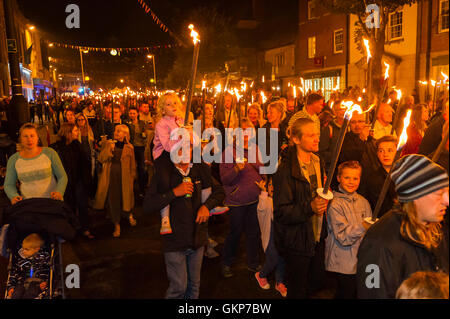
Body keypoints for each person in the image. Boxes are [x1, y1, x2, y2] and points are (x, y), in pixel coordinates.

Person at [357, 154, 449, 298]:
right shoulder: (379, 244)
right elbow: (372, 292)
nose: (447, 201)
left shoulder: (435, 230)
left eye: (448, 191)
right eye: (439, 193)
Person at [144, 143, 225, 299]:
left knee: (194, 286)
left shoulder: (199, 170)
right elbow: (148, 205)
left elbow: (219, 191)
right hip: (175, 241)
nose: (184, 153)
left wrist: (206, 207)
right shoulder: (164, 174)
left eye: (187, 149)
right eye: (179, 149)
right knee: (178, 288)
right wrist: (175, 192)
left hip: (197, 239)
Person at [273, 118, 329, 298]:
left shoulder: (318, 161)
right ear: (296, 139)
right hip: (297, 239)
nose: (316, 139)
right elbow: (281, 213)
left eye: (317, 135)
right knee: (297, 289)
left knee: (316, 282)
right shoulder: (285, 171)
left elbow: (316, 192)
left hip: (317, 233)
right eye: (311, 135)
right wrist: (310, 207)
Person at [220, 118, 264, 278]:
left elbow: (262, 169)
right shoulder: (228, 152)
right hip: (237, 201)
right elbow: (224, 179)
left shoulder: (256, 149)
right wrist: (236, 169)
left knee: (254, 232)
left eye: (248, 131)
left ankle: (253, 262)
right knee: (235, 233)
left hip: (255, 198)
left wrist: (265, 182)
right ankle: (226, 262)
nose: (245, 135)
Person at [325, 161, 372, 299]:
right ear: (339, 178)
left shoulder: (363, 202)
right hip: (343, 263)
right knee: (346, 294)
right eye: (347, 178)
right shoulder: (334, 204)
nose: (351, 182)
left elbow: (369, 234)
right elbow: (343, 237)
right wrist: (363, 226)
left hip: (359, 261)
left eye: (355, 178)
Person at [4, 123, 67, 204]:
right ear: (20, 139)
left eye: (32, 135)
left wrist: (59, 192)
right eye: (25, 136)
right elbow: (9, 184)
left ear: (37, 137)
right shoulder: (13, 159)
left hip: (52, 203)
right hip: (28, 205)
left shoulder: (50, 153)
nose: (29, 139)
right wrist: (13, 196)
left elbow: (62, 176)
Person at [152, 92, 187, 235]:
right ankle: (165, 218)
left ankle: (208, 204)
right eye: (168, 104)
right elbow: (167, 146)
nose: (173, 106)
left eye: (174, 103)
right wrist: (181, 136)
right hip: (164, 156)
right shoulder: (161, 124)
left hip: (180, 153)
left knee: (201, 168)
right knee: (165, 181)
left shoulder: (180, 120)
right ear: (162, 109)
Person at [51, 123, 94, 239]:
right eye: (75, 131)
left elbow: (85, 164)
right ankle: (70, 230)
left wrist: (87, 181)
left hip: (79, 181)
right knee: (68, 207)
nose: (77, 132)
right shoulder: (56, 148)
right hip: (65, 183)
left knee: (82, 205)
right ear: (68, 132)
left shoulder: (77, 145)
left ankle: (85, 228)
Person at [93, 124, 137, 238]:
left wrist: (132, 177)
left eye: (119, 131)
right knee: (114, 198)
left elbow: (133, 165)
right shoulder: (109, 144)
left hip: (125, 177)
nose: (116, 133)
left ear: (125, 134)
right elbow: (101, 158)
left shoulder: (129, 147)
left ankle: (128, 214)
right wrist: (108, 150)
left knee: (126, 197)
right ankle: (116, 223)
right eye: (115, 131)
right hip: (112, 176)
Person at [254, 177, 287, 297]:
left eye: (276, 185)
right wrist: (263, 192)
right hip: (270, 238)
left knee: (281, 260)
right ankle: (261, 275)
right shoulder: (266, 201)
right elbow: (261, 209)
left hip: (282, 238)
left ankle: (279, 282)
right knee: (273, 258)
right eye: (270, 185)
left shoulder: (283, 201)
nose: (273, 187)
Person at [359, 135, 398, 218]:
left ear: (397, 152)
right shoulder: (373, 179)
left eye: (390, 150)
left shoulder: (406, 173)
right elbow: (382, 210)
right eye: (381, 151)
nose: (385, 154)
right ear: (377, 154)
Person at [7, 233, 50, 299]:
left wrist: (45, 282)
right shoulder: (21, 261)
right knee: (16, 294)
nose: (23, 251)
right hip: (22, 283)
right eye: (23, 248)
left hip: (37, 283)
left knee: (31, 292)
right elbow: (14, 273)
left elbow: (48, 272)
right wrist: (11, 287)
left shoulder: (44, 259)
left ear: (37, 249)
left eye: (26, 249)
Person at [127, 107, 148, 197]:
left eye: (134, 113)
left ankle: (142, 188)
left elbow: (145, 134)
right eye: (130, 113)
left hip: (140, 147)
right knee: (130, 167)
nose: (132, 115)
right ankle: (129, 188)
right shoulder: (127, 123)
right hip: (131, 147)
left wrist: (144, 135)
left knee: (141, 168)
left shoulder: (142, 123)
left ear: (137, 114)